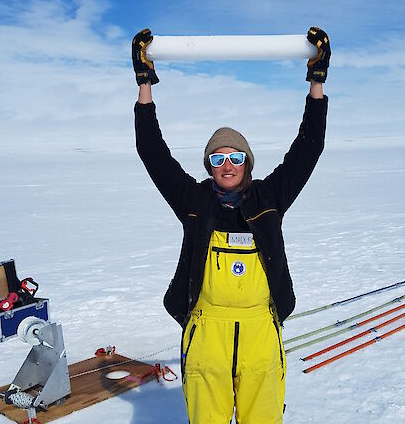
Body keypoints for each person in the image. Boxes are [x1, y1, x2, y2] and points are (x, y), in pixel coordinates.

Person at [133, 27, 330, 424]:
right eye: (218, 159)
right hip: (207, 334)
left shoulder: (270, 199)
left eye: (236, 157)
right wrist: (144, 85)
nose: (227, 165)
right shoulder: (194, 202)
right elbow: (152, 152)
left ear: (248, 163)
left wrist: (316, 83)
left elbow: (308, 148)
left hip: (260, 330)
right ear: (208, 167)